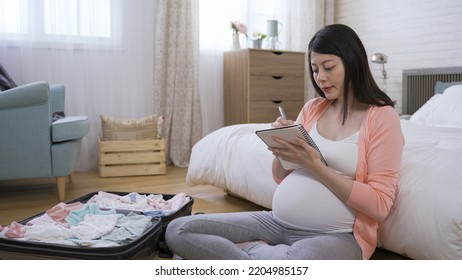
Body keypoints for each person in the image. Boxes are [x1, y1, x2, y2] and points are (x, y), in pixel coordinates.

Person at [165, 24, 404, 260]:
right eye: (315, 69)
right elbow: (280, 177)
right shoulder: (313, 108)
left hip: (335, 235)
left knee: (299, 262)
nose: (320, 78)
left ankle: (248, 250)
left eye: (328, 67)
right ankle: (267, 256)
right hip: (275, 222)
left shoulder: (382, 117)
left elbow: (380, 205)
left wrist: (315, 166)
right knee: (178, 230)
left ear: (352, 62)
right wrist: (283, 150)